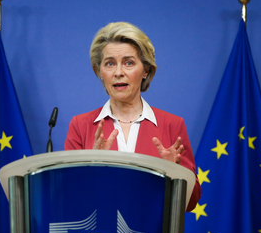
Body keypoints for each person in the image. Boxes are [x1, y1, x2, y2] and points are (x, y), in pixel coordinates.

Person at [64, 22, 201, 211]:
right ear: (100, 72)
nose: (119, 72)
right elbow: (68, 197)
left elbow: (191, 202)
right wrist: (92, 167)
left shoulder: (172, 124)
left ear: (145, 70)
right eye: (110, 63)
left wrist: (175, 173)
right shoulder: (81, 125)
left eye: (129, 63)